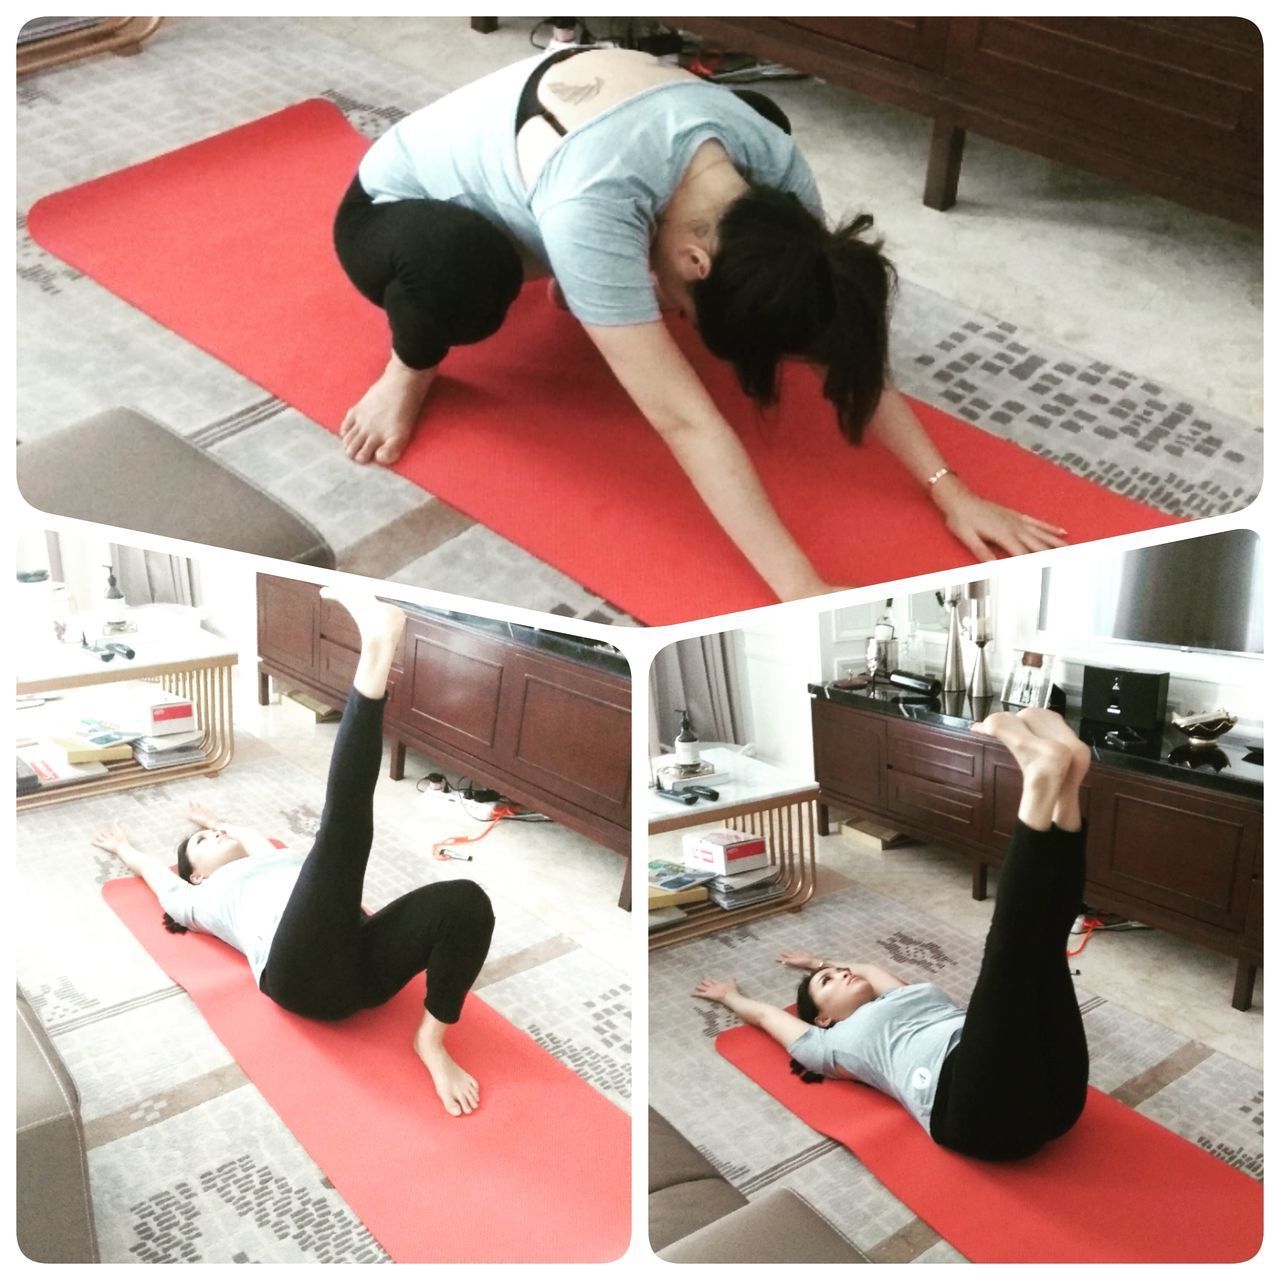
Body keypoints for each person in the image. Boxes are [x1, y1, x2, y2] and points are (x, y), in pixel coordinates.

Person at [332, 46, 1067, 601]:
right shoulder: (593, 200)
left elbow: (836, 328)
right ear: (691, 259)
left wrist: (951, 490)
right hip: (400, 212)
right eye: (683, 301)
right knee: (462, 273)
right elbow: (688, 421)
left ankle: (586, 277)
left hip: (561, 174)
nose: (677, 316)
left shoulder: (766, 165)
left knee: (736, 188)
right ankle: (412, 362)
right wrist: (803, 593)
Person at [91, 591, 495, 1118]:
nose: (210, 841)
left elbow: (252, 835)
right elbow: (157, 877)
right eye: (199, 849)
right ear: (194, 876)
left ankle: (431, 1040)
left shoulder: (269, 856)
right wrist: (127, 850)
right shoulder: (204, 898)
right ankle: (375, 657)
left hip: (362, 968)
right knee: (342, 833)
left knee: (466, 901)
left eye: (210, 836)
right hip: (300, 978)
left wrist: (214, 824)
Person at [693, 708, 1091, 1161]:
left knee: (1045, 945)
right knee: (1014, 954)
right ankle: (1042, 781)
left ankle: (1068, 777)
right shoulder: (829, 1046)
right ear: (822, 1018)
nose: (842, 975)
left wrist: (818, 964)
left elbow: (865, 968)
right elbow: (768, 1018)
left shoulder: (902, 995)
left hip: (1048, 1098)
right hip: (974, 1114)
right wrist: (730, 996)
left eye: (838, 973)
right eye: (829, 985)